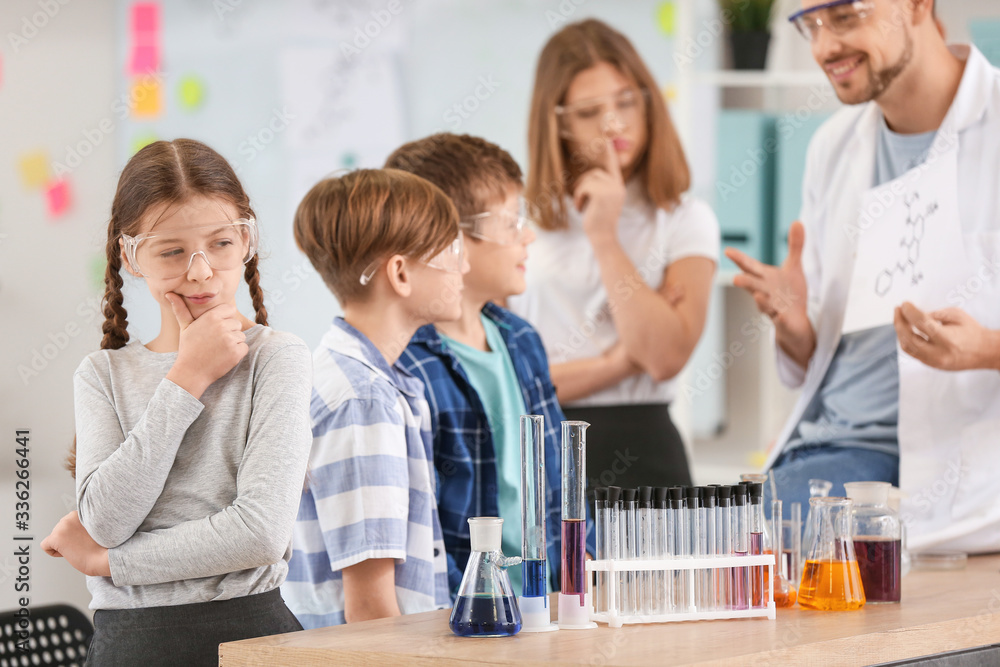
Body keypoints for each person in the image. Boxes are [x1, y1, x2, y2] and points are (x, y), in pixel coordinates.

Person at [727, 0, 1000, 552]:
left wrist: (987, 349)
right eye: (810, 25)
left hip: (959, 468)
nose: (823, 47)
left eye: (846, 17)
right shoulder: (833, 146)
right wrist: (796, 327)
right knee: (693, 549)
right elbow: (819, 361)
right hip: (833, 455)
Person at [40, 139, 312, 666]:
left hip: (250, 634)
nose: (202, 271)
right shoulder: (102, 375)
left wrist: (109, 564)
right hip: (131, 646)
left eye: (221, 244)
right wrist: (187, 376)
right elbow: (105, 521)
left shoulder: (278, 359)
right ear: (130, 256)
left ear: (246, 241)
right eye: (171, 251)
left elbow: (258, 533)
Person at [509, 19, 720, 493]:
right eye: (589, 112)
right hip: (544, 451)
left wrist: (605, 235)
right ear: (558, 122)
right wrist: (621, 363)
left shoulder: (684, 218)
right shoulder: (523, 225)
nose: (613, 124)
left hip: (646, 453)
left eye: (626, 102)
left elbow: (664, 357)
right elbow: (510, 384)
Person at [385, 133, 573, 596]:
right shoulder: (405, 365)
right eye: (513, 223)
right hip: (470, 621)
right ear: (450, 237)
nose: (527, 236)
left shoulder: (521, 340)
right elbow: (419, 535)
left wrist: (576, 585)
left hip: (547, 607)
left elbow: (560, 486)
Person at [281, 169, 463, 627]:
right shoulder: (363, 400)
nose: (464, 266)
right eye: (451, 251)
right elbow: (369, 609)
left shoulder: (367, 380)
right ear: (400, 273)